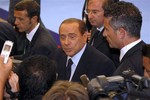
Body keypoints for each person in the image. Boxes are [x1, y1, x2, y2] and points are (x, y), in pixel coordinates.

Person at [49, 18, 116, 83]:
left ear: (84, 37)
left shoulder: (102, 65)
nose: (66, 42)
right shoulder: (55, 56)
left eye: (72, 37)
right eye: (62, 37)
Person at [103, 1, 146, 76]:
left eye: (106, 29)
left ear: (121, 33)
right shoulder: (145, 56)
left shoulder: (126, 72)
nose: (104, 34)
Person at [85, 0, 120, 67]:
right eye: (88, 11)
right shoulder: (95, 26)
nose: (89, 16)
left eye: (94, 12)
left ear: (108, 12)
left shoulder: (114, 35)